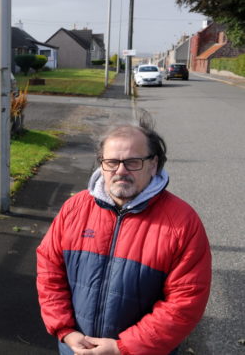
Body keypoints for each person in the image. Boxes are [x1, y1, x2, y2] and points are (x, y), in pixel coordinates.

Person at [36, 122, 211, 355]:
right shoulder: (74, 209)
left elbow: (185, 302)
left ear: (153, 164)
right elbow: (49, 272)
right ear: (102, 164)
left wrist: (123, 348)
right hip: (76, 347)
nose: (121, 171)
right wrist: (65, 330)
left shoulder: (182, 223)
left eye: (132, 162)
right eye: (112, 162)